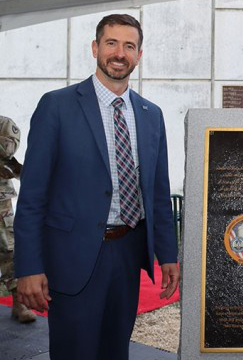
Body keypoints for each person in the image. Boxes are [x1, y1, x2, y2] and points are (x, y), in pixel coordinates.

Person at [13, 14, 179, 360]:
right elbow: (31, 196)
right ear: (95, 48)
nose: (120, 53)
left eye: (129, 46)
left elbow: (158, 193)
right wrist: (29, 267)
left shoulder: (151, 114)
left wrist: (169, 255)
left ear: (139, 55)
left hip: (129, 252)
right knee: (75, 352)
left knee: (115, 351)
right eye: (112, 43)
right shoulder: (56, 106)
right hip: (72, 256)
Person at [0, 115, 37, 323]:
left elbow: (7, 150)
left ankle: (19, 302)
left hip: (1, 204)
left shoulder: (4, 124)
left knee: (8, 249)